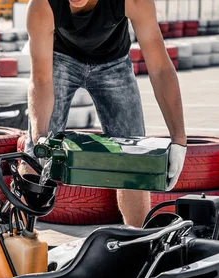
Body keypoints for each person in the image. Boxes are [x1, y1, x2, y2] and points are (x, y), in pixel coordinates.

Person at [21, 0, 187, 227]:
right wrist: (40, 138)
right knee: (35, 156)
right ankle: (16, 241)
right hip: (59, 59)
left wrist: (179, 139)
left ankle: (138, 243)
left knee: (133, 159)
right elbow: (40, 79)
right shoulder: (43, 6)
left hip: (113, 62)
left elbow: (160, 68)